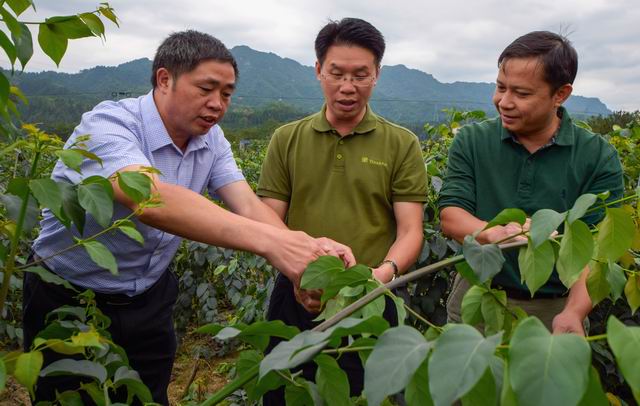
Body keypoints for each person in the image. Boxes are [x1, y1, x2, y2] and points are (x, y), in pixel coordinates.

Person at [23, 30, 354, 405]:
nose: (217, 104)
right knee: (66, 396)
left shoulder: (212, 140)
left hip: (149, 297)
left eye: (226, 94)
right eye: (206, 89)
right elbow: (149, 198)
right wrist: (279, 246)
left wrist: (303, 254)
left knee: (148, 395)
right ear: (165, 79)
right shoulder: (108, 126)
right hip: (68, 296)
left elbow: (247, 205)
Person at [257, 18, 428, 402]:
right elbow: (268, 221)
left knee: (362, 393)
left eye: (360, 75)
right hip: (296, 290)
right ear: (319, 70)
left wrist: (381, 277)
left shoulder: (401, 144)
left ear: (376, 75)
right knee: (285, 390)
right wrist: (298, 271)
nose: (347, 86)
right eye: (336, 73)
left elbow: (410, 230)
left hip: (370, 293)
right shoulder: (287, 139)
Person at [439, 31, 624, 335]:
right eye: (501, 87)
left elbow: (595, 251)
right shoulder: (472, 141)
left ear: (560, 94)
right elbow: (451, 214)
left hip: (556, 308)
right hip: (480, 297)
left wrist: (574, 312)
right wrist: (492, 233)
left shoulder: (597, 157)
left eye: (522, 94)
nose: (504, 102)